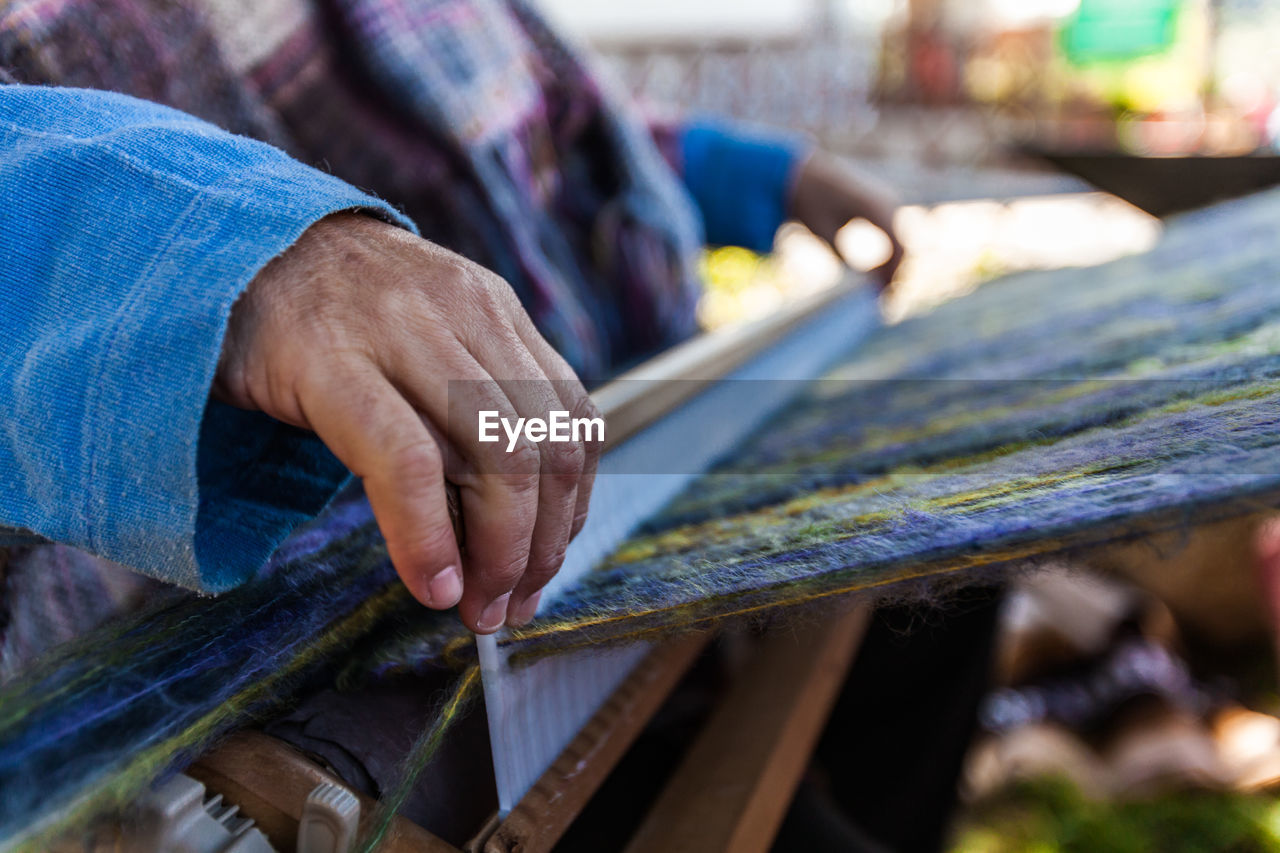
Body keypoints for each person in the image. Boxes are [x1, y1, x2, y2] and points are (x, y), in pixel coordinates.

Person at [1, 2, 1001, 851]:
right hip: (296, 675)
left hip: (603, 507)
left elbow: (523, 131)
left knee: (942, 590)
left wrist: (747, 173)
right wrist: (216, 262)